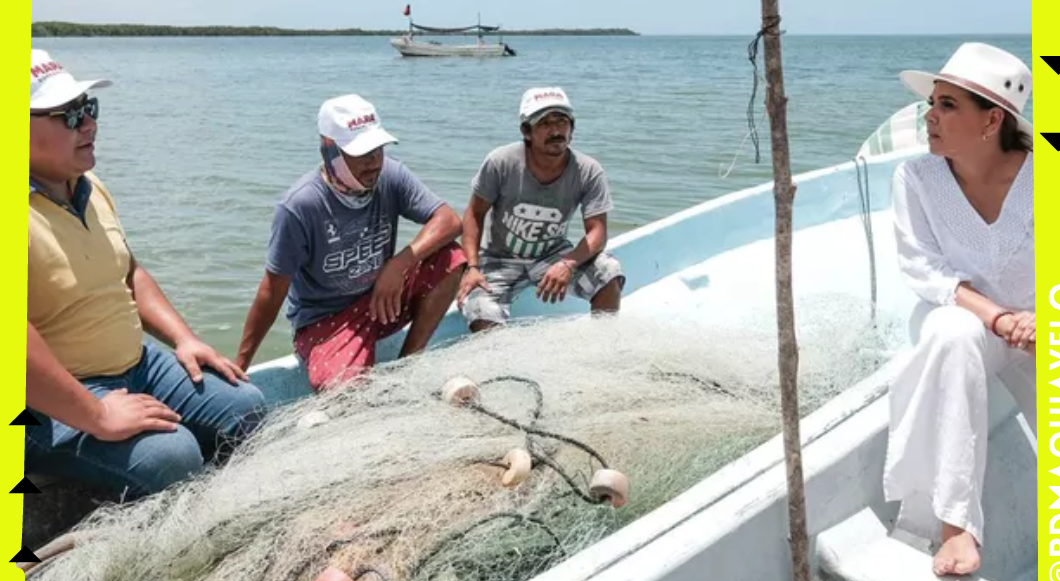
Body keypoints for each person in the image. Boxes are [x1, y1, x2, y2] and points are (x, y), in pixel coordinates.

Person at [27, 49, 267, 500]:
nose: (89, 124)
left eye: (89, 108)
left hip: (137, 363)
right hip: (46, 400)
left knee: (247, 407)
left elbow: (130, 271)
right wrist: (97, 415)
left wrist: (184, 339)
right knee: (172, 459)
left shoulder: (90, 185)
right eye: (69, 115)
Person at [882, 43, 1035, 577]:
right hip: (965, 318)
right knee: (952, 335)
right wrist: (994, 315)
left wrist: (1045, 318)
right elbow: (923, 269)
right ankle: (956, 526)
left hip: (1043, 326)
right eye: (933, 103)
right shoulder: (917, 179)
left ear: (993, 120)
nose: (930, 115)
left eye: (947, 105)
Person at [236, 94, 466, 392]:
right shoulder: (300, 206)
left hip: (382, 298)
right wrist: (241, 363)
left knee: (450, 258)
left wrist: (399, 263)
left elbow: (449, 220)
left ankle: (409, 362)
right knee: (345, 392)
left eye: (378, 149)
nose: (374, 162)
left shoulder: (390, 174)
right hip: (326, 321)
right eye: (361, 153)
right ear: (329, 149)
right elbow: (271, 291)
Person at [457, 87, 624, 331]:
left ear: (572, 129)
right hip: (498, 259)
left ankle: (603, 342)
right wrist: (471, 267)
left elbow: (597, 233)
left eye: (562, 122)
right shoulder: (501, 162)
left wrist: (567, 264)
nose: (556, 131)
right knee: (479, 308)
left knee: (609, 270)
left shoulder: (588, 170)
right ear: (527, 131)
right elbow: (474, 214)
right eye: (545, 123)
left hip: (552, 255)